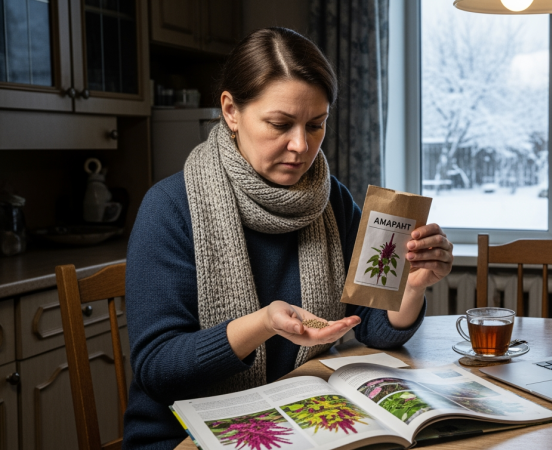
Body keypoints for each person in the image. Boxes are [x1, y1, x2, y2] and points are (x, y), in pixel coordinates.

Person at [124, 27, 453, 449]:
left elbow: (374, 326)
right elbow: (156, 369)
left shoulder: (332, 198)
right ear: (231, 110)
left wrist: (411, 286)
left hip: (301, 417)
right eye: (280, 124)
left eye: (316, 125)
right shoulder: (169, 207)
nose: (301, 145)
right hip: (183, 436)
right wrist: (262, 324)